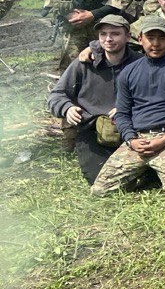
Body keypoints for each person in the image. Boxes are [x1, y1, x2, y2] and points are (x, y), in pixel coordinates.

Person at [90, 14, 165, 196]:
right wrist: (131, 139)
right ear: (140, 39)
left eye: (161, 37)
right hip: (138, 137)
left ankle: (153, 171)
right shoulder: (128, 72)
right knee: (100, 190)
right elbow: (123, 113)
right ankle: (146, 171)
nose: (155, 43)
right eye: (150, 37)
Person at [47, 14, 141, 184]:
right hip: (93, 131)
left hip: (132, 129)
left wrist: (129, 108)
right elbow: (56, 95)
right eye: (103, 34)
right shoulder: (83, 63)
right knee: (100, 179)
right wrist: (67, 108)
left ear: (128, 36)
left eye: (115, 33)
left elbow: (157, 98)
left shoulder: (141, 64)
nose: (108, 39)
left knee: (143, 174)